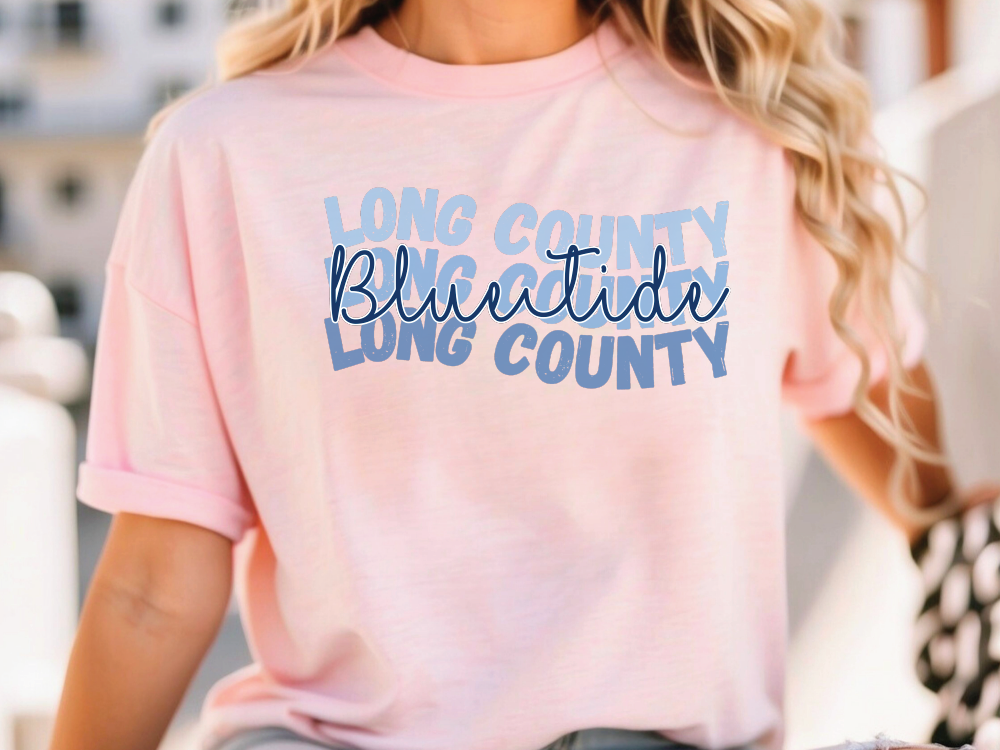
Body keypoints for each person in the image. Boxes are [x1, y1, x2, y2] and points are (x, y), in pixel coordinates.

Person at [47, 1, 1000, 750]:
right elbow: (151, 587)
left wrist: (966, 545)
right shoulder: (224, 154)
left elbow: (919, 472)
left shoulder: (754, 140)